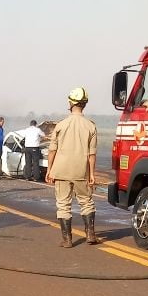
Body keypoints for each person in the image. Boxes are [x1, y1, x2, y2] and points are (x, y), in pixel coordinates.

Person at [45, 87, 99, 248]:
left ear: (70, 103)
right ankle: (90, 234)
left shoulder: (61, 125)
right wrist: (92, 174)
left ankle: (67, 239)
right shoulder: (91, 126)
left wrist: (49, 170)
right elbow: (92, 154)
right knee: (87, 202)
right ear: (84, 104)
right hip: (81, 170)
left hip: (61, 170)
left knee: (63, 204)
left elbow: (52, 150)